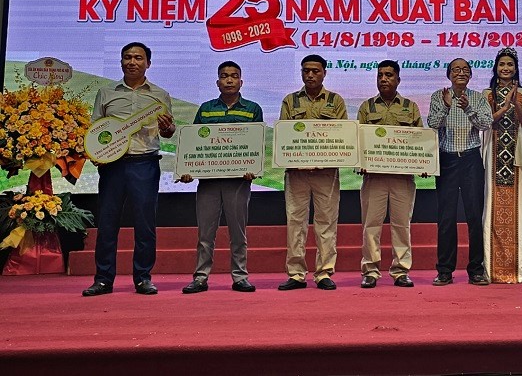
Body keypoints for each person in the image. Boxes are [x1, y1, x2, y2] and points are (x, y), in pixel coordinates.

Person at [82, 42, 175, 297]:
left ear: (148, 63)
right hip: (112, 166)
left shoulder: (160, 95)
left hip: (145, 163)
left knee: (145, 225)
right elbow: (95, 128)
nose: (132, 62)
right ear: (121, 61)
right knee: (107, 223)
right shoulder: (106, 93)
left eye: (138, 58)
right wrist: (96, 153)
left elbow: (168, 132)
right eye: (127, 57)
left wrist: (167, 128)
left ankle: (143, 278)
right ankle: (103, 279)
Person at [180, 61, 263, 294]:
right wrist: (187, 169)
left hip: (238, 182)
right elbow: (194, 144)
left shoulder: (253, 109)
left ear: (241, 82)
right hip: (208, 182)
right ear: (217, 82)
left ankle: (240, 276)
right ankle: (200, 277)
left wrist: (253, 167)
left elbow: (257, 144)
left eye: (234, 76)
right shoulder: (206, 109)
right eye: (224, 76)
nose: (229, 80)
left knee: (238, 232)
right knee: (205, 234)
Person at [278, 54, 347, 291]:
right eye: (306, 70)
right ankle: (296, 274)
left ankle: (324, 272)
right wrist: (296, 158)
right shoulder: (290, 101)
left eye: (315, 71)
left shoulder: (335, 101)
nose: (310, 75)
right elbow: (284, 136)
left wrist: (325, 158)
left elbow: (342, 136)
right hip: (296, 173)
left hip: (326, 173)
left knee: (326, 222)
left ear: (324, 73)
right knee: (295, 222)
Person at [357, 60, 423, 289]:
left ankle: (401, 270)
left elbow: (420, 141)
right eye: (380, 75)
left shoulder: (410, 107)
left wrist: (423, 163)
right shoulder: (367, 107)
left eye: (388, 75)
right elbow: (359, 140)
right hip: (374, 177)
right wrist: (360, 161)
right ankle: (370, 271)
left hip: (402, 178)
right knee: (371, 225)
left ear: (398, 79)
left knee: (401, 225)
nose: (383, 79)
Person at [427, 58, 493, 286]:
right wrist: (446, 106)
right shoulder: (438, 96)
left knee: (474, 216)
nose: (461, 73)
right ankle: (445, 270)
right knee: (446, 217)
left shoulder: (478, 98)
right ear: (449, 74)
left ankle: (476, 270)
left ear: (471, 75)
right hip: (447, 160)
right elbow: (432, 123)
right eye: (456, 69)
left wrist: (468, 109)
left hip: (471, 159)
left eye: (465, 69)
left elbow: (486, 124)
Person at [481, 48, 522, 283]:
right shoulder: (487, 93)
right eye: (502, 64)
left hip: (517, 156)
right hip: (493, 154)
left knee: (520, 207)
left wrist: (515, 104)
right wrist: (504, 107)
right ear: (496, 68)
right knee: (491, 206)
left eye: (510, 65)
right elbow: (487, 122)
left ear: (516, 69)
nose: (506, 68)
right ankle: (491, 269)